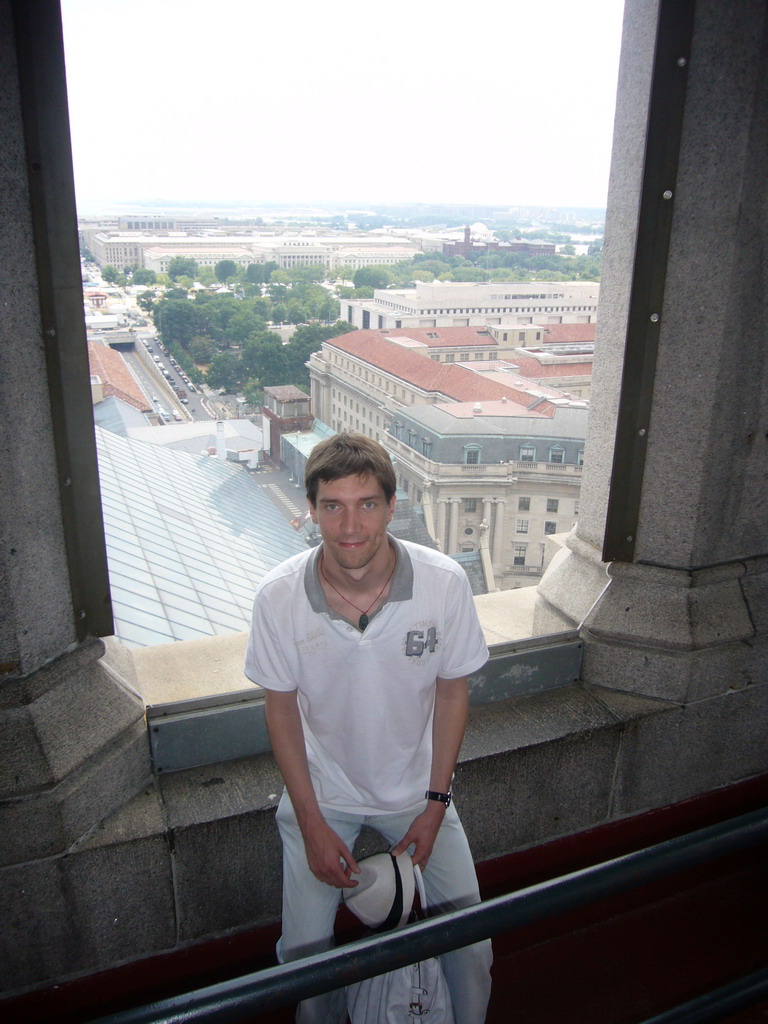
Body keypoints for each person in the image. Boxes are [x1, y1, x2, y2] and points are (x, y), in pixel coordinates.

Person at [244, 432, 492, 1023]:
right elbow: (280, 708)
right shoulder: (278, 596)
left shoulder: (442, 583)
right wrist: (308, 821)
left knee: (473, 948)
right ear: (312, 509)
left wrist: (435, 805)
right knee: (303, 963)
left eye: (367, 504)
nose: (350, 525)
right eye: (333, 506)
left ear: (391, 504)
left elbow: (452, 691)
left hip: (417, 792)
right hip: (323, 795)